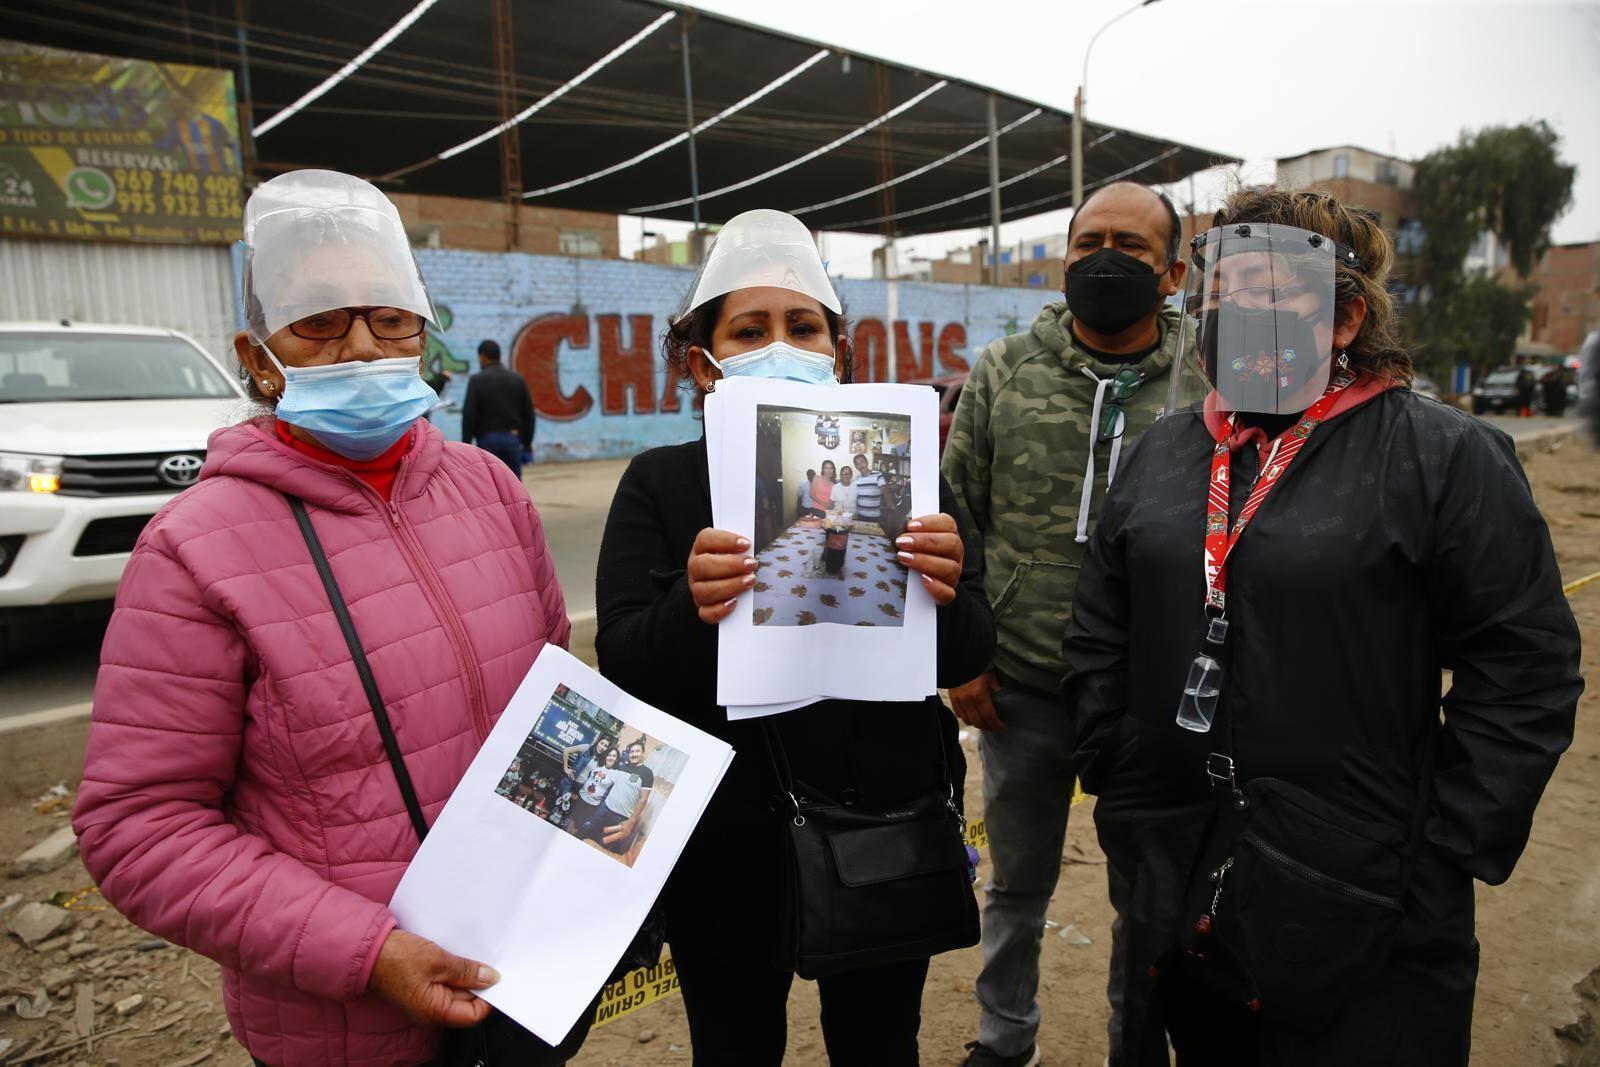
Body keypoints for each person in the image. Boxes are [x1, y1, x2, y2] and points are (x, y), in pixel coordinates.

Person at [70, 170, 581, 1067]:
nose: (360, 346)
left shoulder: (491, 492)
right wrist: (366, 951)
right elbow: (139, 825)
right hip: (343, 1029)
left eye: (389, 316)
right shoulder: (192, 549)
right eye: (317, 320)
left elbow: (550, 712)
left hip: (522, 985)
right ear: (258, 353)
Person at [1064, 188, 1581, 1066]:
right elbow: (1100, 619)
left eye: (1272, 290)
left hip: (1362, 887)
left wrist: (1442, 844)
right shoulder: (1166, 451)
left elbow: (1525, 666)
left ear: (1344, 318)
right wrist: (1116, 758)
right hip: (1174, 854)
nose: (1237, 310)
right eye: (1224, 287)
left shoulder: (1442, 456)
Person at [595, 208, 995, 1066]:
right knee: (735, 1049)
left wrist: (946, 586)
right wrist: (688, 609)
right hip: (724, 849)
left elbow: (966, 651)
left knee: (882, 1045)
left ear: (839, 350)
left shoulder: (905, 470)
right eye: (751, 328)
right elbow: (623, 659)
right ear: (703, 358)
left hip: (885, 823)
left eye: (802, 326)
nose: (782, 343)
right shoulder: (661, 484)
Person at [942, 180, 1190, 1067]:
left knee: (1150, 893)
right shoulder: (1004, 370)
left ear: (1172, 272)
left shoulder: (1208, 383)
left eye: (1130, 244)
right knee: (1015, 883)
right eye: (1087, 243)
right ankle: (1005, 1038)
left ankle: (1137, 1043)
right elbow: (954, 520)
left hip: (1152, 701)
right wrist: (963, 659)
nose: (1104, 258)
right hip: (1021, 689)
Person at [462, 338, 536, 476]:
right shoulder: (517, 379)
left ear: (482, 357)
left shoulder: (477, 380)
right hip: (512, 439)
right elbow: (529, 414)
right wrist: (526, 442)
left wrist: (466, 444)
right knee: (513, 487)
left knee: (490, 486)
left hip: (487, 442)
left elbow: (469, 415)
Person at [851, 452, 885, 522]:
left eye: (862, 462)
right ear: (856, 467)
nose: (860, 465)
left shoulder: (878, 475)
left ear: (867, 462)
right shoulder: (857, 480)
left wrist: (890, 506)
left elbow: (885, 493)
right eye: (857, 464)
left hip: (875, 517)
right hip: (860, 517)